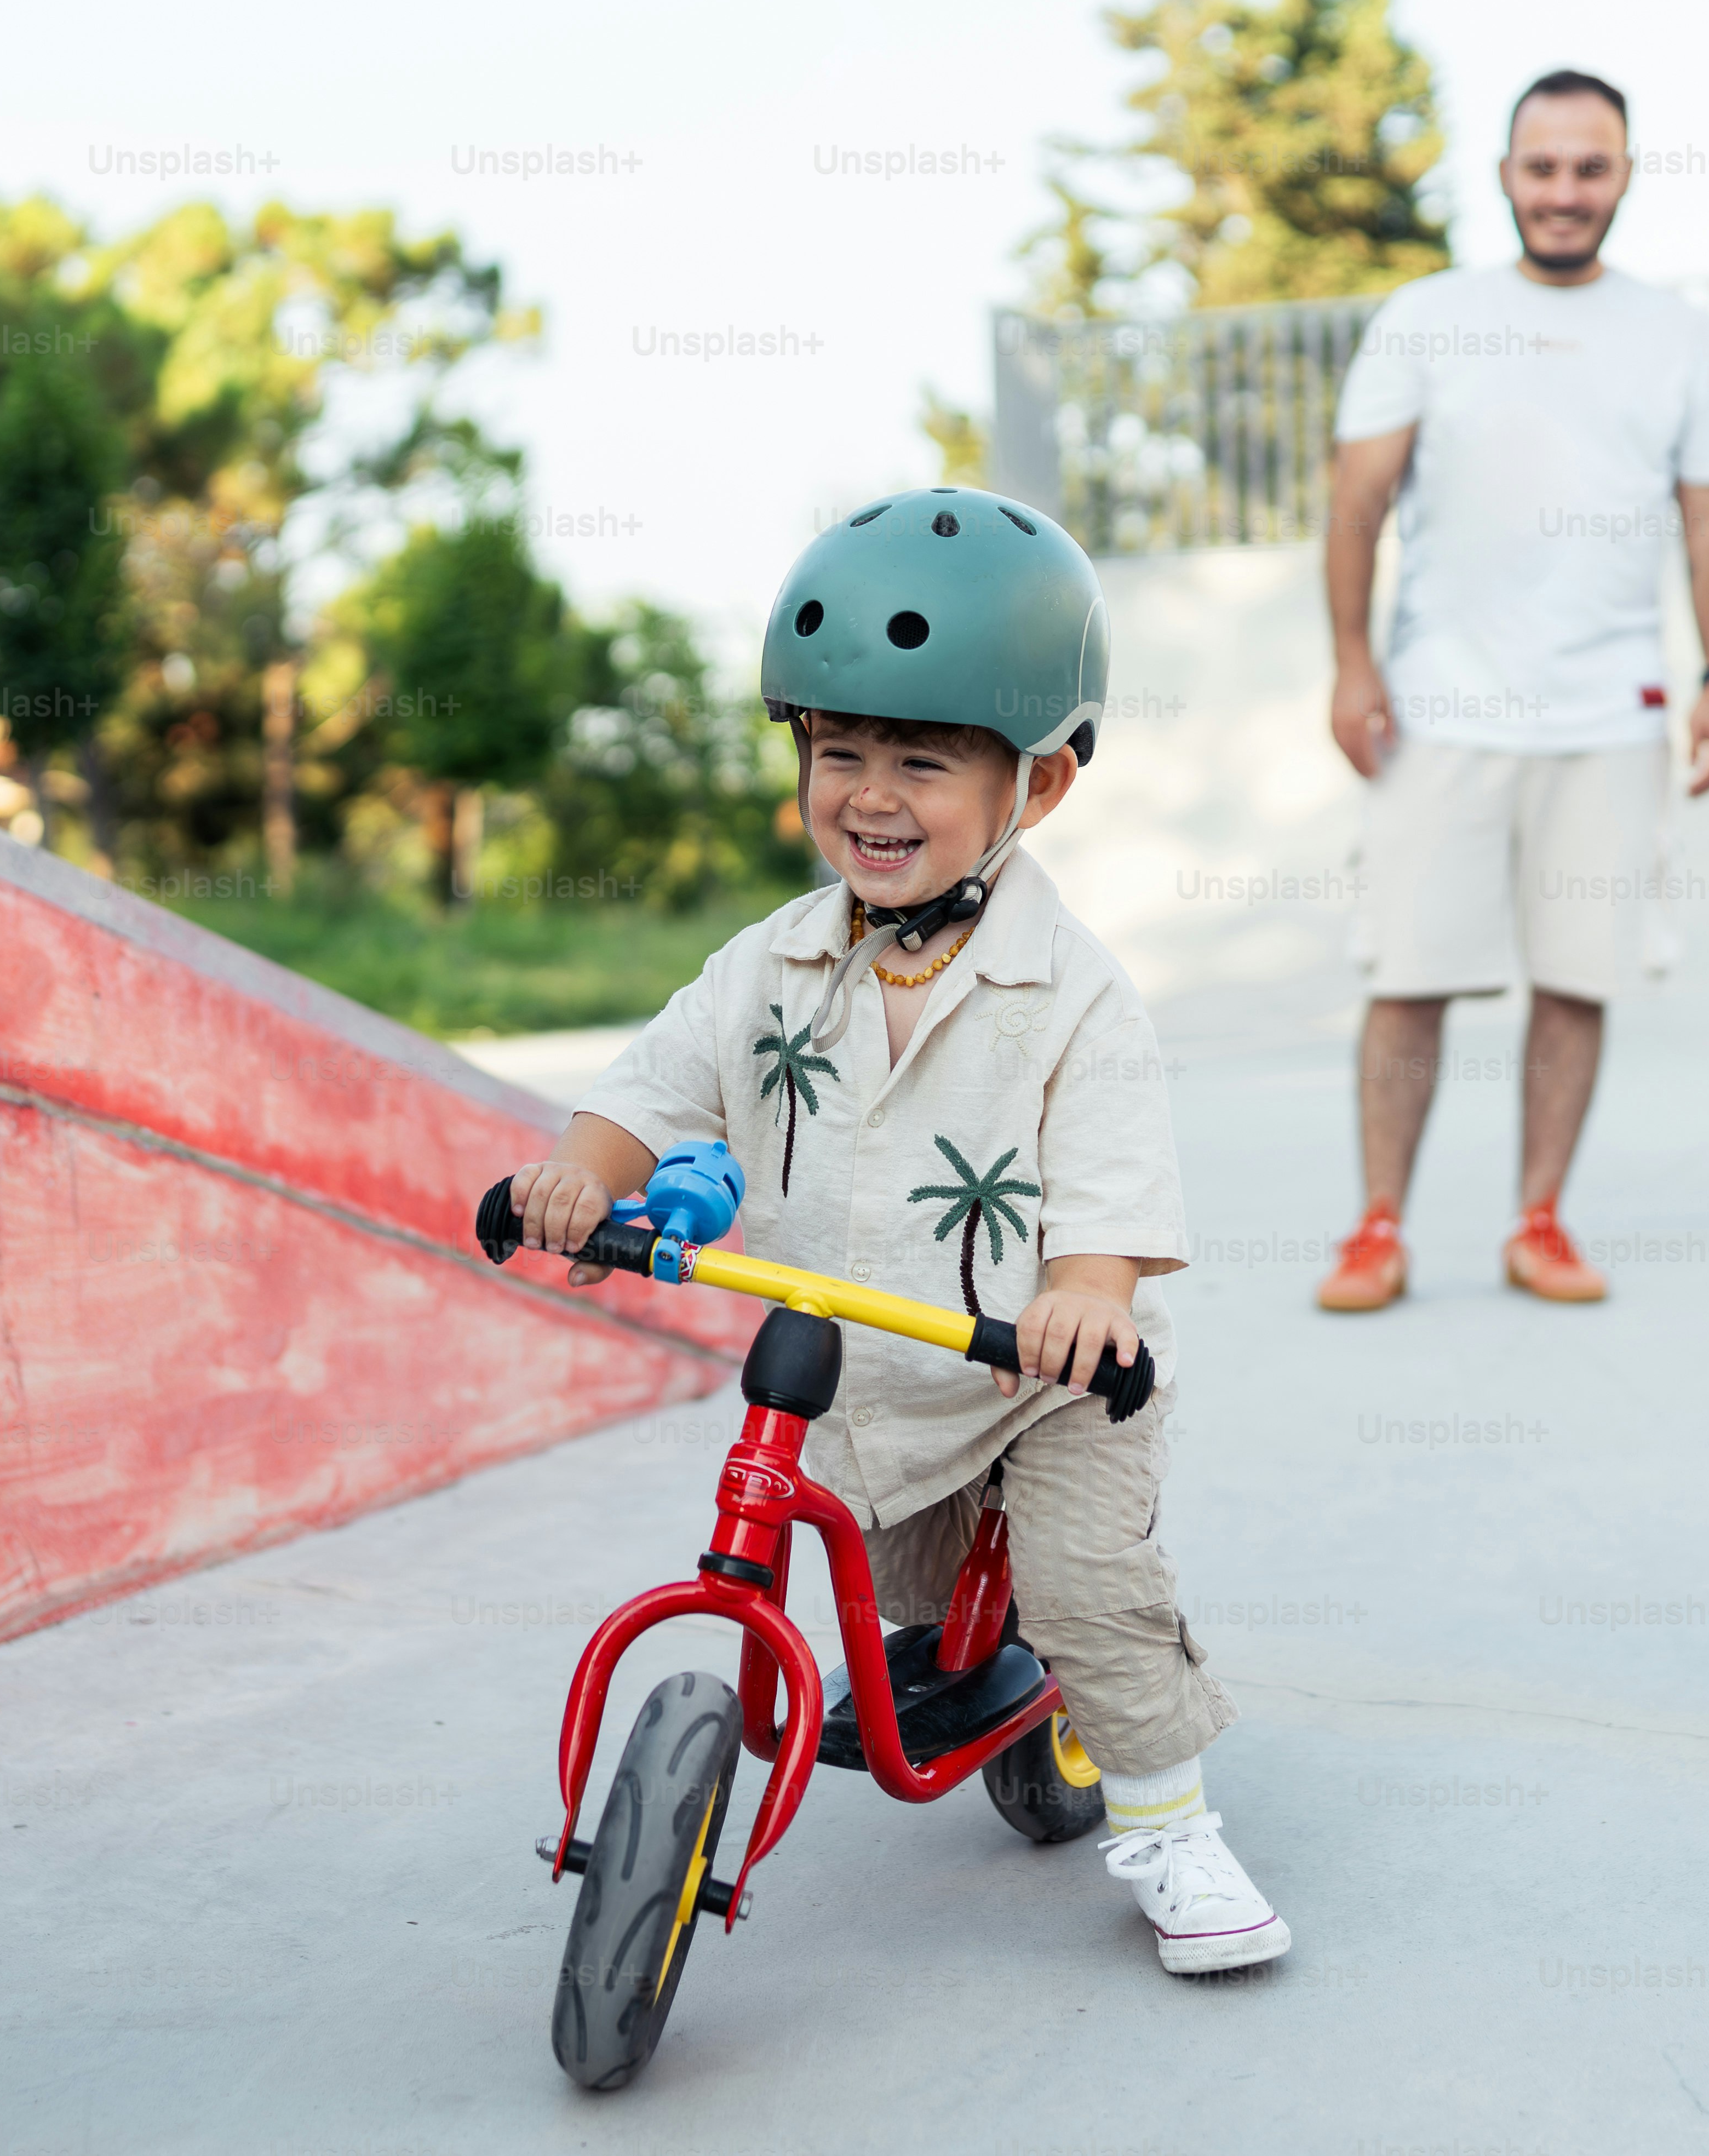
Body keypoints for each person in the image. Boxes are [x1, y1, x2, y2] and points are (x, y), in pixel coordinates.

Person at [499, 489, 1287, 1976]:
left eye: (923, 760)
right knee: (911, 1619)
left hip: (1045, 1373)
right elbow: (650, 1087)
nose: (871, 793)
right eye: (838, 751)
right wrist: (577, 1173)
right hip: (874, 1374)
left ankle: (1172, 1823)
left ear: (1038, 785)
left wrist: (1086, 1286)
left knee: (1084, 1590)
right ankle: (988, 1686)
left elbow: (1114, 1184)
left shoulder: (1074, 993)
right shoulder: (769, 963)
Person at [1311, 68, 1709, 1315]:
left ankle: (1539, 1221)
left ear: (1624, 176)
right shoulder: (1428, 316)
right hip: (1442, 704)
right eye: (1543, 166)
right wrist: (1353, 660)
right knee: (1409, 973)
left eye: (1590, 167)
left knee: (1579, 974)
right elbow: (1358, 499)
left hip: (1614, 709)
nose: (1565, 191)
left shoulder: (1677, 335)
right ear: (1505, 175)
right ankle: (1376, 1228)